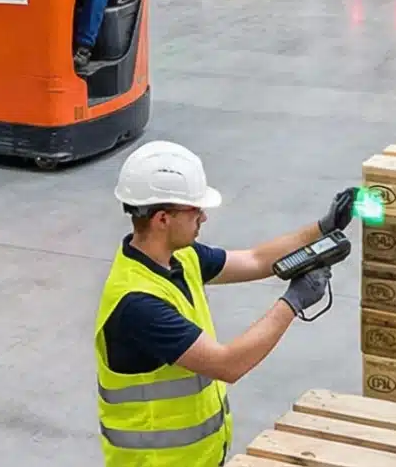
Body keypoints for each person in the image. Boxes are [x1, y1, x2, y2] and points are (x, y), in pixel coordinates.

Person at [95, 142, 349, 464]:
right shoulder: (138, 304)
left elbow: (256, 260)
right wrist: (293, 302)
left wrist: (322, 229)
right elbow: (227, 364)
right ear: (162, 219)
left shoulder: (180, 257)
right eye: (194, 210)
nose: (203, 217)